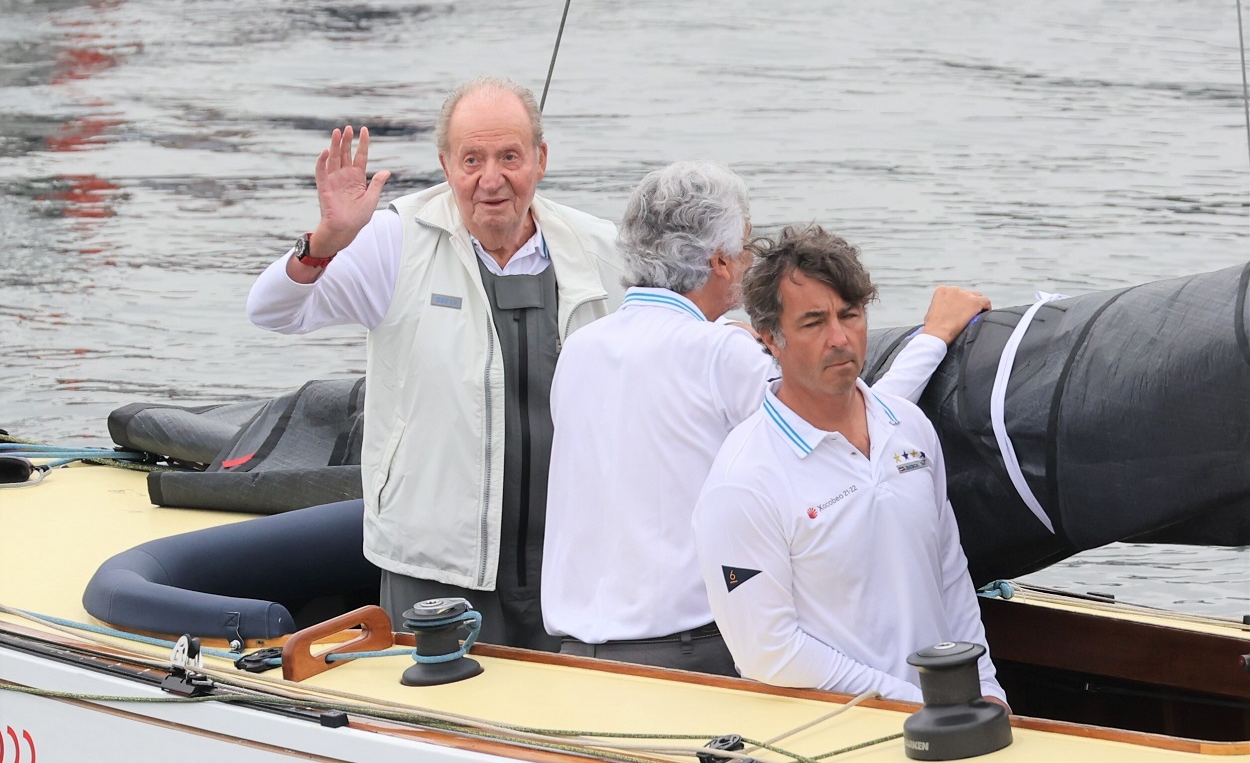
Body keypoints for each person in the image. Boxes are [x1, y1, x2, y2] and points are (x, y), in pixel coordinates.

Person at [541, 162, 991, 675]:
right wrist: (933, 337)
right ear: (722, 263)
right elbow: (836, 418)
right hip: (692, 653)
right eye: (748, 247)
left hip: (577, 658)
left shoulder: (580, 349)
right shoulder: (717, 351)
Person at [246, 77, 625, 650]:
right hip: (434, 568)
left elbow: (686, 333)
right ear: (446, 165)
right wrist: (326, 239)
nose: (491, 179)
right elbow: (273, 311)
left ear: (540, 161)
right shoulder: (392, 242)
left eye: (509, 157)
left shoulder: (599, 250)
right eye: (472, 159)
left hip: (571, 565)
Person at [690, 224, 1007, 705]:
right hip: (839, 745)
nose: (839, 338)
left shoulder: (910, 427)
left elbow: (949, 575)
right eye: (814, 322)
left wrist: (985, 688)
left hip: (945, 717)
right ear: (770, 339)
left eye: (850, 314)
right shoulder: (743, 481)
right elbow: (767, 652)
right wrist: (909, 702)